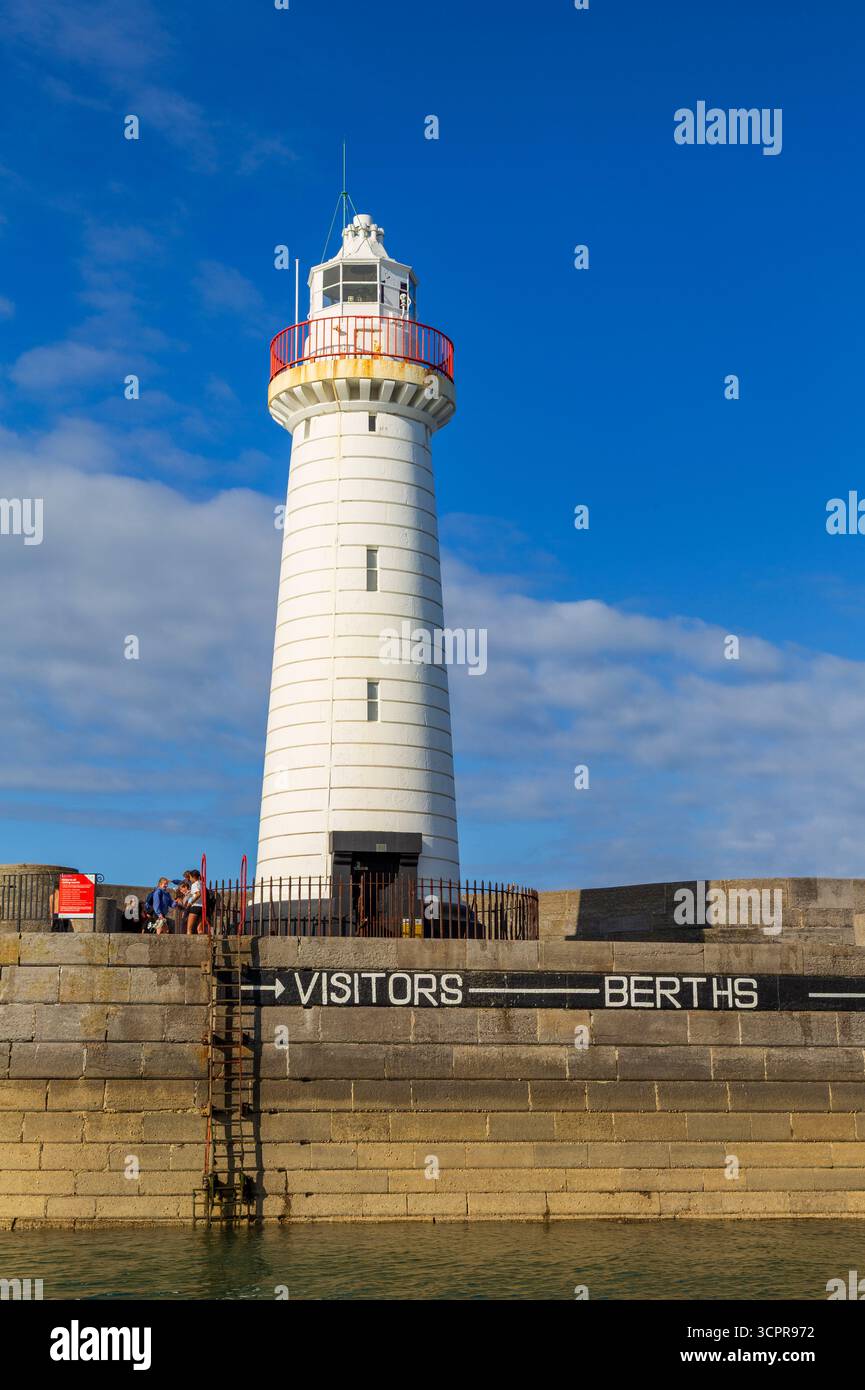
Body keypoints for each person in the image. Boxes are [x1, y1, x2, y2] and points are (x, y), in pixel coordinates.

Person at [184, 869, 204, 935]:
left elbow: (198, 894)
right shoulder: (202, 884)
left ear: (193, 877)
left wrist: (190, 902)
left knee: (189, 929)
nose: (189, 879)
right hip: (202, 907)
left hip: (195, 906)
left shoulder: (195, 884)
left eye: (190, 877)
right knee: (200, 930)